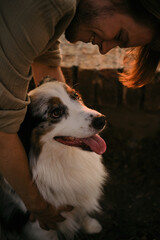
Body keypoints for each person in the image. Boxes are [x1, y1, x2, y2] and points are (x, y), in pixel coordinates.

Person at [0, 0, 160, 231]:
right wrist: (37, 205)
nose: (105, 50)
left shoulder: (59, 14)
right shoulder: (50, 5)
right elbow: (4, 131)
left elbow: (46, 59)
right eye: (120, 36)